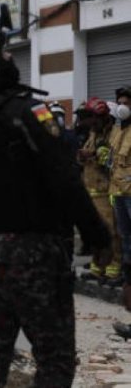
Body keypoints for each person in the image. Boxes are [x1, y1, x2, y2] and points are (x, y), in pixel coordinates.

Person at [0, 3, 109, 387]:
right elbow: (65, 179)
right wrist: (98, 236)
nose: (7, 56)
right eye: (1, 51)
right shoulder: (26, 113)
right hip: (33, 252)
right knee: (54, 358)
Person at [77, 98, 123, 286]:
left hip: (106, 191)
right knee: (95, 232)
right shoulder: (93, 134)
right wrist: (82, 156)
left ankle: (114, 268)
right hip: (91, 191)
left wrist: (96, 155)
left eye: (90, 118)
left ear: (103, 118)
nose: (87, 122)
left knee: (112, 232)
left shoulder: (115, 135)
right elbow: (85, 158)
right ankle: (97, 268)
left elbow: (113, 162)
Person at [109, 85, 131, 313]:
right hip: (119, 192)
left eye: (126, 103)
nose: (123, 107)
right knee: (125, 239)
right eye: (120, 103)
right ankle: (127, 280)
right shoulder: (117, 130)